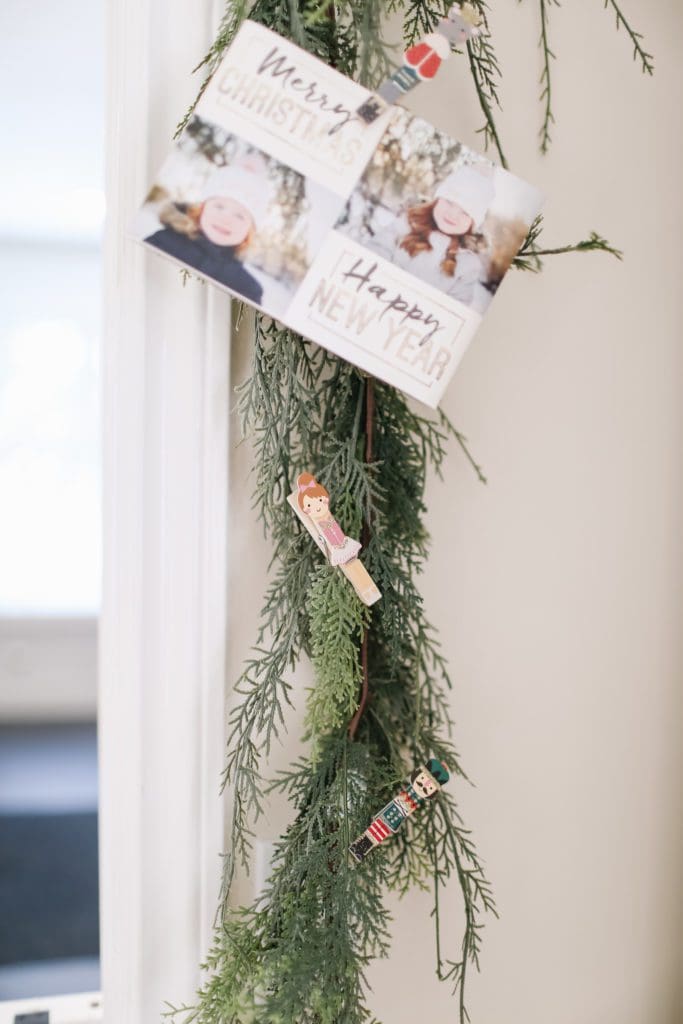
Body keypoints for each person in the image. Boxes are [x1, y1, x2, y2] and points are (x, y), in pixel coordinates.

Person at [370, 164, 496, 312]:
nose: (453, 214)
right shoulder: (407, 224)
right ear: (437, 199)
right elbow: (376, 250)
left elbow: (455, 308)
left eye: (465, 212)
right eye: (449, 202)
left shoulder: (468, 264)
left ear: (473, 222)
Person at [145, 161, 269, 305]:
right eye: (219, 206)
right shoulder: (163, 241)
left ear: (249, 232)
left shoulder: (247, 290)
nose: (226, 218)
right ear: (201, 208)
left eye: (240, 216)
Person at [296, 472, 361, 567]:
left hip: (340, 538)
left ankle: (345, 549)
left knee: (337, 533)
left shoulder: (327, 515)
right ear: (306, 509)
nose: (317, 507)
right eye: (309, 505)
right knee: (332, 536)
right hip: (334, 543)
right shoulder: (318, 520)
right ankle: (342, 550)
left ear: (325, 499)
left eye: (320, 500)